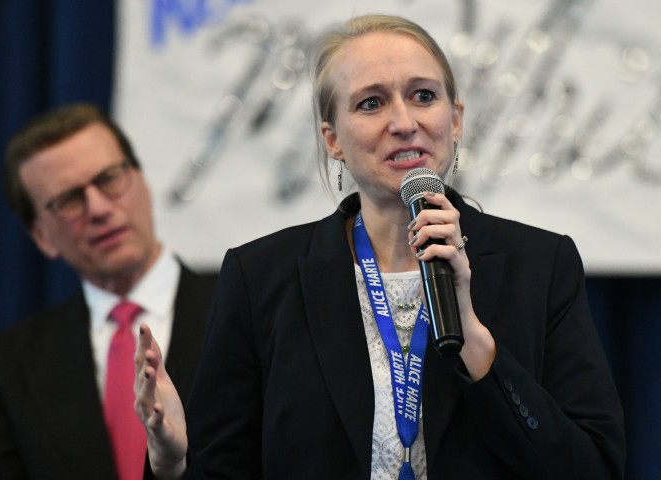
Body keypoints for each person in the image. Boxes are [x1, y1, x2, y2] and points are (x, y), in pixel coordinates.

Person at [135, 14, 626, 479]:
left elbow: (594, 468)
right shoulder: (260, 278)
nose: (404, 122)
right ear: (333, 139)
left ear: (455, 119)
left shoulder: (540, 266)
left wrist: (476, 342)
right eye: (371, 103)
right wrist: (172, 464)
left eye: (423, 96)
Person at [0, 103, 216, 480]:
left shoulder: (249, 308)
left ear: (143, 181)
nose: (98, 209)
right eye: (69, 200)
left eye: (109, 179)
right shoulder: (7, 365)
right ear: (41, 236)